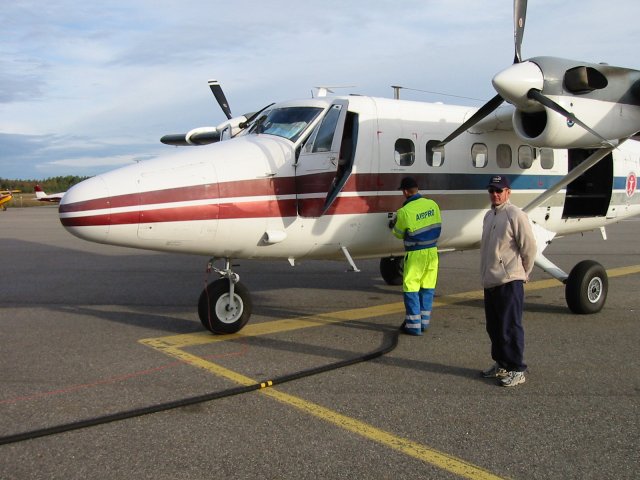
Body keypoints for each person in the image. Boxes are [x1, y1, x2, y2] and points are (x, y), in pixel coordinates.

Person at [480, 175, 537, 387]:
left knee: (510, 327)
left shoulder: (516, 215)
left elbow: (529, 247)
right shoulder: (488, 216)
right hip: (491, 280)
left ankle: (516, 369)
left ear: (508, 192)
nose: (495, 194)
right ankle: (501, 363)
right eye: (492, 191)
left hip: (509, 280)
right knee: (494, 327)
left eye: (499, 190)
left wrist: (523, 273)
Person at [390, 177, 442, 335]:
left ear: (405, 192)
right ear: (417, 189)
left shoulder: (404, 212)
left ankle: (413, 327)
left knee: (411, 288)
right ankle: (424, 323)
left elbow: (398, 234)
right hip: (432, 252)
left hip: (415, 254)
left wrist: (394, 224)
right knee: (427, 287)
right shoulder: (432, 204)